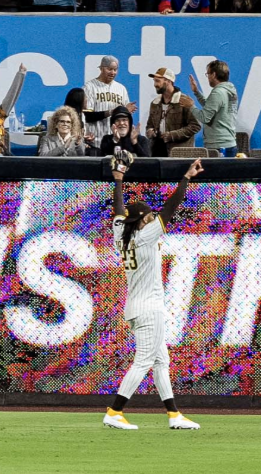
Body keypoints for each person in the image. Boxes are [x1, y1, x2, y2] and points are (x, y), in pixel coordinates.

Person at [102, 155, 204, 432]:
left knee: (161, 360)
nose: (150, 221)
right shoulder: (144, 236)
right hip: (149, 308)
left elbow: (118, 211)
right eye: (147, 218)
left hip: (137, 307)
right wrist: (186, 178)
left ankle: (174, 414)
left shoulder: (119, 234)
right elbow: (171, 208)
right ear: (139, 223)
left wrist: (119, 180)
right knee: (145, 361)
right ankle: (115, 410)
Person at [184, 60, 237, 157]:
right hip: (227, 144)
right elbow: (210, 108)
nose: (207, 77)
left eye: (208, 74)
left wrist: (191, 106)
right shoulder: (229, 91)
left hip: (219, 146)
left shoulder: (218, 93)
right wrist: (196, 92)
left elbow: (204, 118)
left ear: (213, 74)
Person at [144, 71, 198, 157]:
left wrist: (172, 135)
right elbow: (149, 125)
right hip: (157, 152)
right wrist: (150, 132)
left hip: (179, 154)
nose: (155, 84)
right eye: (154, 81)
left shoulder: (184, 101)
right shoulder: (155, 103)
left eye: (158, 81)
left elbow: (195, 126)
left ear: (169, 81)